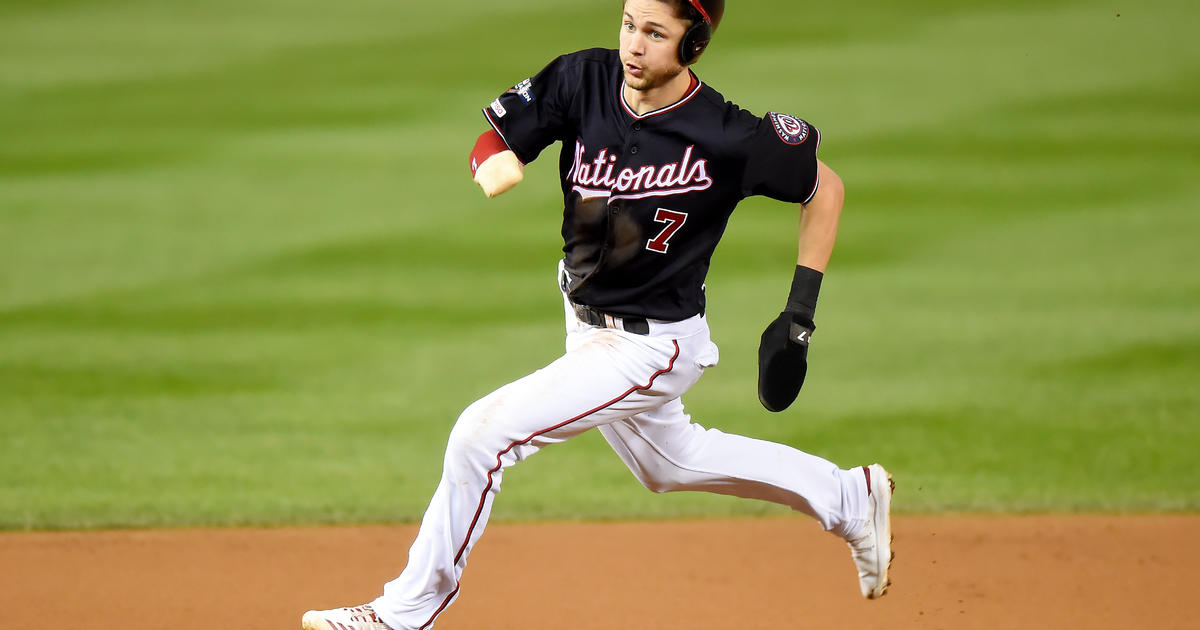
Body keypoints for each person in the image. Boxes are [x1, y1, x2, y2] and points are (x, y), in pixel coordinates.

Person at [302, 1, 892, 628]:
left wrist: (799, 311)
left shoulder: (728, 134)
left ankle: (405, 611)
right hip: (583, 319)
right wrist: (492, 160)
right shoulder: (581, 80)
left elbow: (823, 188)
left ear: (695, 44)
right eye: (629, 23)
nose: (635, 44)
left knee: (481, 436)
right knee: (669, 464)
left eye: (657, 33)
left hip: (650, 346)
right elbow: (497, 136)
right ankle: (850, 497)